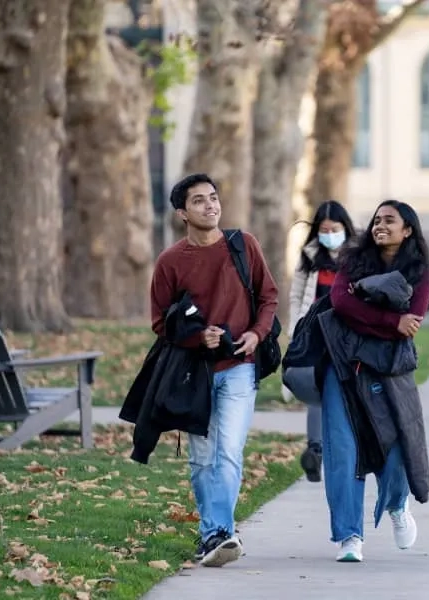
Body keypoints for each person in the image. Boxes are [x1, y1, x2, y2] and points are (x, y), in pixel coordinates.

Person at [150, 173, 279, 567]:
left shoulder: (244, 246)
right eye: (199, 201)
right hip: (195, 372)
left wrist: (257, 334)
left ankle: (219, 533)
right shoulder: (171, 261)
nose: (211, 205)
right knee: (203, 457)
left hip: (240, 365)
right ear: (181, 213)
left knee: (229, 452)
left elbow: (269, 297)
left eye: (213, 198)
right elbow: (160, 322)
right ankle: (214, 535)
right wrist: (195, 338)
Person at [322, 200, 429, 563]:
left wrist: (366, 310)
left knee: (399, 444)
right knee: (343, 451)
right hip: (342, 365)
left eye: (390, 220)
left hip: (390, 368)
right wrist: (388, 320)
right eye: (376, 220)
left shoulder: (421, 271)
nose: (380, 225)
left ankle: (397, 504)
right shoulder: (352, 261)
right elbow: (340, 303)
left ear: (408, 230)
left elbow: (411, 321)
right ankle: (349, 536)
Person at [285, 200, 356, 483]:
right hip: (315, 334)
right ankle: (315, 450)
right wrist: (294, 332)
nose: (329, 235)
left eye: (334, 229)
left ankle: (342, 448)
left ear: (345, 228)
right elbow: (296, 296)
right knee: (318, 388)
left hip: (347, 335)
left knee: (342, 391)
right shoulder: (310, 255)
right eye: (324, 230)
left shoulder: (357, 256)